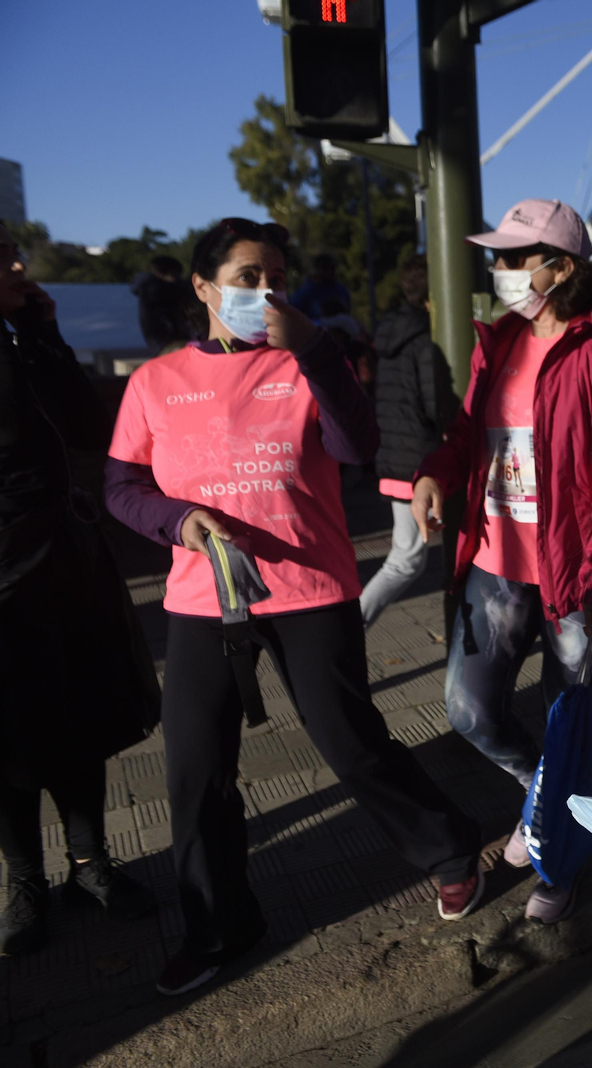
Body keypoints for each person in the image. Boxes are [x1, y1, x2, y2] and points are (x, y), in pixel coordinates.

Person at [104, 219, 485, 996]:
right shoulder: (155, 383)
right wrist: (178, 521)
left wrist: (314, 349)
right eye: (246, 276)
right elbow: (120, 487)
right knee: (195, 767)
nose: (264, 291)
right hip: (203, 596)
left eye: (274, 274)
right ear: (205, 289)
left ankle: (449, 849)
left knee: (350, 740)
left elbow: (355, 446)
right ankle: (219, 924)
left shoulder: (310, 360)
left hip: (310, 586)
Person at [410, 199, 592, 922]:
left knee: (567, 720)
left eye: (516, 256)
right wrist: (435, 472)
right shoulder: (501, 337)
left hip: (571, 570)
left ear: (562, 266)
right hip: (494, 559)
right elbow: (466, 430)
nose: (501, 269)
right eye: (500, 256)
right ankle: (544, 799)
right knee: (468, 707)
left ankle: (559, 866)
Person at [0, 223, 161, 955]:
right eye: (0, 256)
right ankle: (24, 881)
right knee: (8, 738)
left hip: (59, 562)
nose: (16, 264)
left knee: (77, 717)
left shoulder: (21, 341)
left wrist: (42, 336)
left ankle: (91, 864)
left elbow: (88, 425)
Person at [360, 255, 458, 628]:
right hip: (417, 460)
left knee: (408, 555)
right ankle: (351, 628)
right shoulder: (425, 340)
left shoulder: (389, 335)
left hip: (392, 454)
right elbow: (436, 404)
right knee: (406, 559)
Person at [131, 254, 189, 354]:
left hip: (162, 345)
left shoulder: (149, 288)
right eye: (174, 275)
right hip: (168, 344)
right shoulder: (155, 290)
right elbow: (178, 290)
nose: (177, 279)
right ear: (161, 274)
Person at [289, 252, 353, 322]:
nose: (329, 272)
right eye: (325, 268)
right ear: (316, 269)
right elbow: (293, 315)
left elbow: (347, 315)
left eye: (332, 268)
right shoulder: (304, 293)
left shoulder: (341, 291)